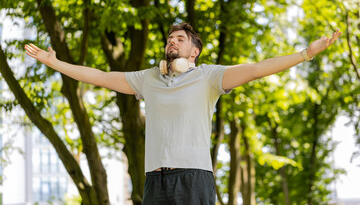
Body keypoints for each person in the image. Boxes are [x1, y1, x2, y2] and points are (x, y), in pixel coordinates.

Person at [25, 23, 341, 205]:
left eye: (179, 39)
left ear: (193, 52)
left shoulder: (209, 76)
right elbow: (99, 75)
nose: (171, 42)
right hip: (155, 180)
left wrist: (306, 54)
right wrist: (56, 63)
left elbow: (257, 69)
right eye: (169, 39)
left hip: (194, 178)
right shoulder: (148, 78)